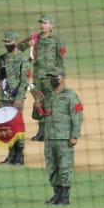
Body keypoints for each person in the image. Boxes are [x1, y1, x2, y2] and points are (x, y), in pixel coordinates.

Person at [19, 15, 67, 143]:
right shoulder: (35, 37)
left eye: (45, 23)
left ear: (51, 25)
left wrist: (62, 76)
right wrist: (28, 44)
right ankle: (41, 133)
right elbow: (18, 47)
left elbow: (61, 58)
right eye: (41, 23)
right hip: (37, 77)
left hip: (51, 77)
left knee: (50, 104)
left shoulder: (56, 39)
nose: (42, 25)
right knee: (38, 104)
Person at [41, 71, 81, 204]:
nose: (53, 79)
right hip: (49, 137)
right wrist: (36, 107)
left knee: (65, 167)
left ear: (63, 79)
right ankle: (56, 194)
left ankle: (65, 196)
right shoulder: (47, 95)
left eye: (55, 77)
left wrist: (74, 135)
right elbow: (39, 116)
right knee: (52, 167)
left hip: (64, 137)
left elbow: (77, 116)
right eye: (51, 77)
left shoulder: (71, 95)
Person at [0, 32, 30, 166]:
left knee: (17, 126)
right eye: (6, 43)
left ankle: (20, 156)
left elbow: (24, 81)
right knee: (6, 127)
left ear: (15, 41)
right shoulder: (1, 58)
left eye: (9, 42)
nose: (7, 45)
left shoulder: (22, 59)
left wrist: (19, 97)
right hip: (3, 97)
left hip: (15, 97)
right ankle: (11, 155)